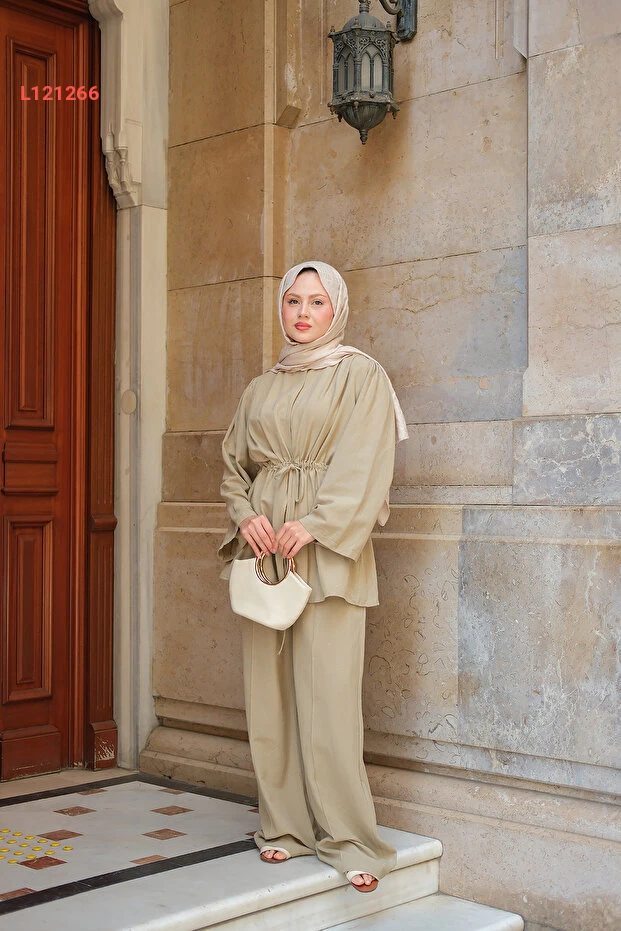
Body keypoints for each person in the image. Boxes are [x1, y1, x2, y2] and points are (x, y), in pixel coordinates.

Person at [218, 261, 408, 893]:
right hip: (266, 550)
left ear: (337, 309)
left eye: (317, 301)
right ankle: (285, 827)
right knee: (269, 696)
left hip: (325, 548)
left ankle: (350, 838)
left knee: (328, 697)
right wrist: (246, 516)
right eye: (293, 300)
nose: (303, 313)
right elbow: (234, 466)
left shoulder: (362, 375)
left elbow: (366, 459)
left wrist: (317, 524)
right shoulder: (260, 388)